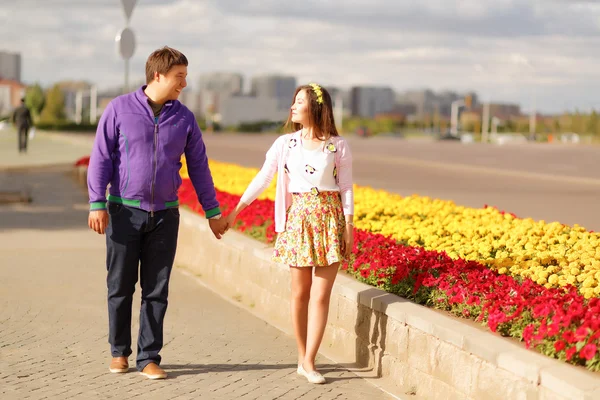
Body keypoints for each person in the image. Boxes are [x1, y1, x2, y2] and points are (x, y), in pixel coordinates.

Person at [87, 46, 228, 380]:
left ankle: (148, 356)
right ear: (158, 75)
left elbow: (199, 167)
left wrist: (212, 211)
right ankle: (119, 352)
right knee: (120, 285)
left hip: (165, 216)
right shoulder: (119, 109)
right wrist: (96, 203)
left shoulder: (184, 118)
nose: (183, 84)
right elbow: (101, 157)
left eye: (185, 78)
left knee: (156, 290)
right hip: (123, 211)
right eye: (179, 77)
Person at [224, 83, 354, 384]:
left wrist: (349, 227)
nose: (293, 107)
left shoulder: (338, 145)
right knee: (300, 294)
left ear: (316, 108)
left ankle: (310, 361)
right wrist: (236, 211)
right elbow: (264, 177)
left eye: (299, 102)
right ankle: (301, 355)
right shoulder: (286, 144)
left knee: (321, 297)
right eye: (293, 102)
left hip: (330, 219)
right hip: (299, 220)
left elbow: (346, 187)